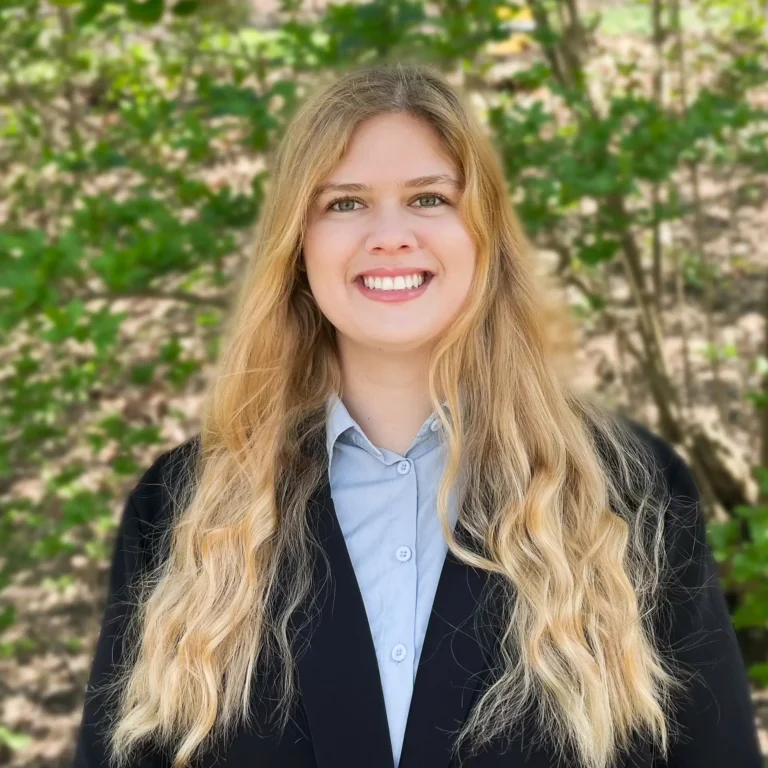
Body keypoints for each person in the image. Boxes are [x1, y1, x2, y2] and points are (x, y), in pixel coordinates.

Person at [73, 62, 763, 768]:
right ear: (297, 244)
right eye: (345, 203)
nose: (390, 235)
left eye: (429, 198)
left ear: (483, 233)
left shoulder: (628, 488)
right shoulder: (184, 507)